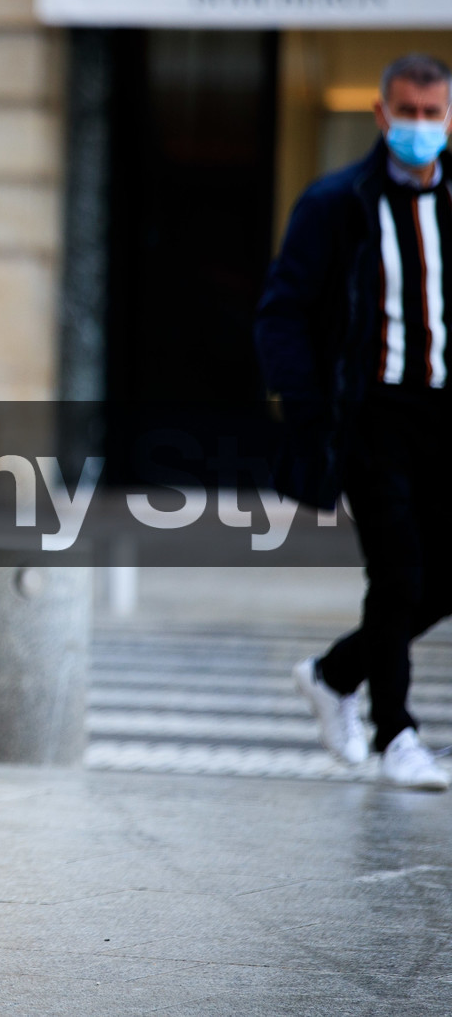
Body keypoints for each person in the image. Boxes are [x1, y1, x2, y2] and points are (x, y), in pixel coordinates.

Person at [256, 53, 452, 791]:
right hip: (372, 417)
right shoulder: (337, 202)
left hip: (445, 415)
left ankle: (335, 674)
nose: (420, 128)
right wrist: (309, 411)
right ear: (381, 114)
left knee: (441, 576)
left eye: (433, 115)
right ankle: (396, 734)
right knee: (398, 572)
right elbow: (282, 314)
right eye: (408, 113)